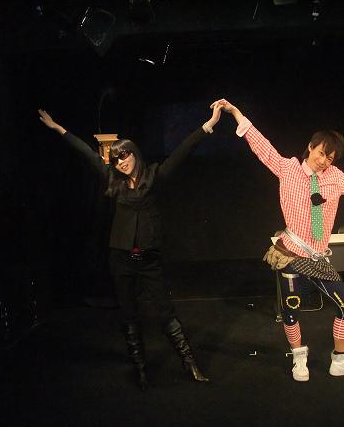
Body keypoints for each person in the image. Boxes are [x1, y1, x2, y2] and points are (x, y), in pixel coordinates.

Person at [213, 98, 344, 382]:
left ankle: (340, 361)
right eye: (321, 153)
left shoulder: (335, 177)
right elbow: (262, 146)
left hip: (317, 257)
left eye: (330, 158)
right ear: (310, 147)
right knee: (290, 308)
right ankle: (299, 358)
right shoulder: (287, 169)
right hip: (291, 253)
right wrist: (236, 113)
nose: (323, 161)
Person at [37, 103, 223, 390]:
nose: (121, 162)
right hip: (121, 259)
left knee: (165, 313)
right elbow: (87, 154)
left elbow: (182, 151)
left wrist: (209, 124)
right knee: (129, 315)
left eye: (124, 155)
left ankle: (190, 365)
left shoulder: (154, 176)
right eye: (116, 159)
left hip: (149, 259)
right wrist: (59, 129)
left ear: (134, 153)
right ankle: (140, 370)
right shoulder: (113, 181)